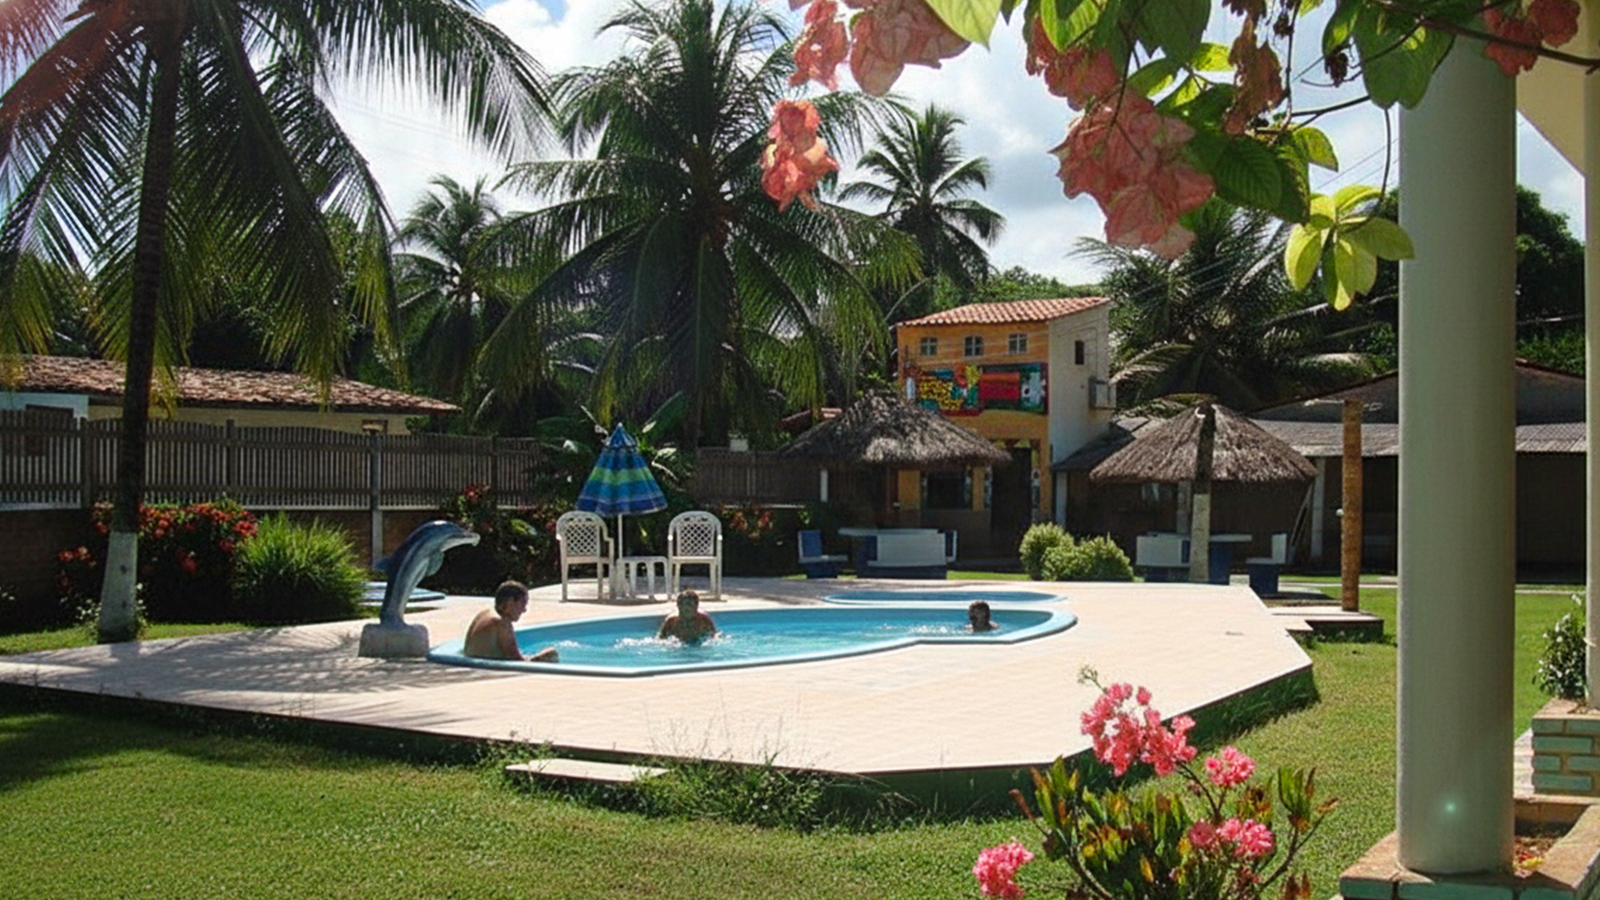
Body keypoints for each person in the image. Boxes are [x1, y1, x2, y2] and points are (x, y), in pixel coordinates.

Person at [464, 581, 559, 662]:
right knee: (551, 654)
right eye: (522, 604)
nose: (524, 610)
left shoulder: (484, 614)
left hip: (475, 664)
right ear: (510, 602)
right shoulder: (502, 623)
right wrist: (542, 657)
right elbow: (517, 661)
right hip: (488, 669)